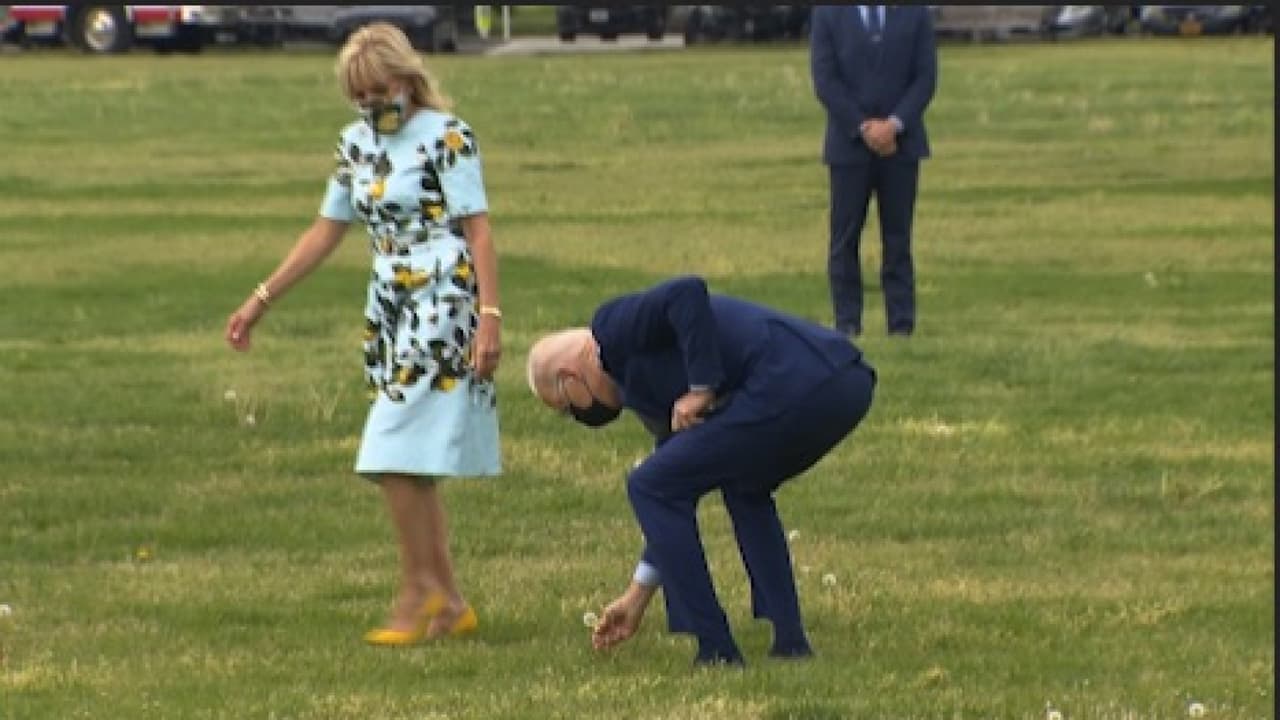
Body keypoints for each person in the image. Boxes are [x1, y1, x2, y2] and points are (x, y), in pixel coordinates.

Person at [223, 22, 502, 646]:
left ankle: (418, 593)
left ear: (406, 79)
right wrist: (259, 300)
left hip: (444, 296)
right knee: (411, 459)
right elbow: (326, 230)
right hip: (390, 304)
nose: (372, 106)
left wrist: (490, 317)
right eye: (359, 97)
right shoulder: (354, 146)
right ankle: (450, 603)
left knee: (388, 445)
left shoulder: (448, 137)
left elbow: (478, 230)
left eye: (379, 92)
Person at [525, 275, 876, 666]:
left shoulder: (611, 329)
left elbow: (686, 292)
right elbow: (673, 503)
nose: (578, 415)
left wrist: (702, 387)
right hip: (843, 383)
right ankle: (790, 642)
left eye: (565, 408)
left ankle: (716, 649)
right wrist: (637, 596)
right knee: (741, 484)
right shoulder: (647, 387)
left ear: (570, 378)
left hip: (798, 378)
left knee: (649, 485)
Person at [810, 5, 937, 337]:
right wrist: (863, 127)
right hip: (849, 147)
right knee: (844, 239)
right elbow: (825, 80)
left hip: (901, 146)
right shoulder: (828, 14)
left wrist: (894, 125)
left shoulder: (915, 13)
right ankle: (847, 323)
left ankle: (901, 324)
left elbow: (925, 78)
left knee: (898, 238)